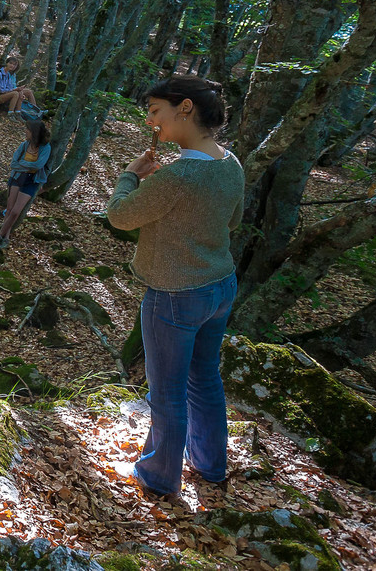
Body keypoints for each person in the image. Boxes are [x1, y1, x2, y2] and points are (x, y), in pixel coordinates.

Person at [107, 75, 242, 501]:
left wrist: (130, 176)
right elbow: (232, 221)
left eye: (155, 111)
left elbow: (120, 217)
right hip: (220, 286)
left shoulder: (178, 176)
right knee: (204, 378)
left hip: (174, 295)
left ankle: (159, 478)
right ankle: (211, 465)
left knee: (166, 392)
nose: (152, 122)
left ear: (184, 108)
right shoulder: (231, 163)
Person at [0, 119, 51, 247]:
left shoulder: (45, 147)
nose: (26, 132)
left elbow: (39, 164)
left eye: (28, 130)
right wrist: (29, 167)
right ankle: (5, 238)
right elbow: (13, 164)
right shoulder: (24, 145)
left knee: (15, 212)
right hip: (17, 177)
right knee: (9, 209)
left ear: (34, 132)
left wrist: (23, 164)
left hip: (32, 181)